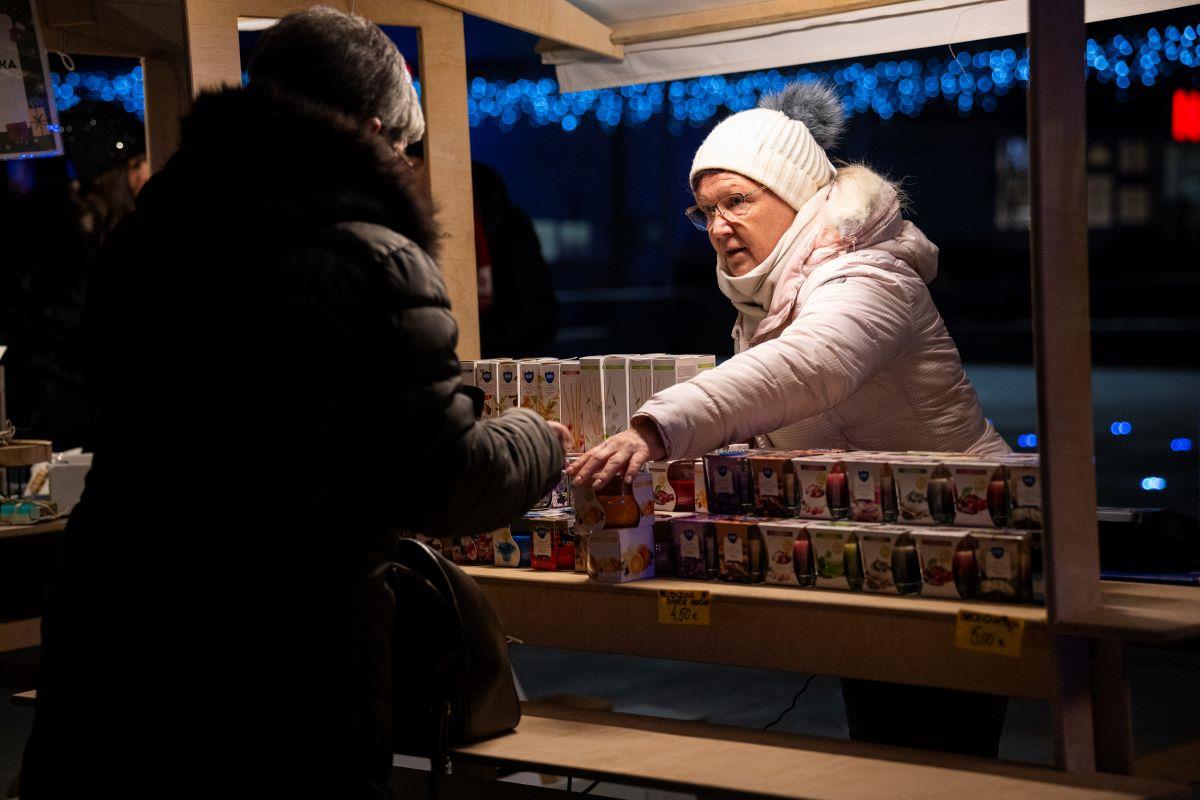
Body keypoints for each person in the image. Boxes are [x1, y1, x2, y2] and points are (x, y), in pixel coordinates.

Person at [21, 7, 567, 798]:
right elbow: (442, 480)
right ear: (374, 132)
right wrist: (538, 439)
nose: (409, 167)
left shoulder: (147, 242)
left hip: (112, 639)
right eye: (406, 148)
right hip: (281, 667)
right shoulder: (373, 261)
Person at [568, 82, 1010, 756]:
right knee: (881, 748)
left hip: (967, 536)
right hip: (874, 542)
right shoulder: (769, 301)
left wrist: (655, 427)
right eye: (705, 211)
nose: (718, 227)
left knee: (947, 757)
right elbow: (768, 410)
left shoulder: (869, 275)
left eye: (737, 202)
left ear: (798, 195)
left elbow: (811, 365)